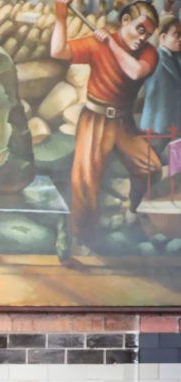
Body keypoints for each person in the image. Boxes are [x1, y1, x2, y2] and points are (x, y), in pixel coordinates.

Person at [51, 0, 161, 246]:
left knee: (151, 168)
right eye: (140, 29)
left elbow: (135, 72)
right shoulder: (95, 44)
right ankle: (82, 238)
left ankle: (135, 210)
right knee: (84, 181)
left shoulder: (148, 53)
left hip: (122, 122)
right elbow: (57, 51)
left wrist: (111, 42)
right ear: (125, 21)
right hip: (95, 120)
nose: (143, 37)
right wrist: (60, 15)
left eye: (148, 34)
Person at [138, 13, 181, 160]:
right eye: (177, 35)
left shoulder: (175, 58)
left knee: (173, 158)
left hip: (172, 118)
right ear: (162, 38)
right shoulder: (155, 59)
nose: (180, 39)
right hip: (159, 119)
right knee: (153, 156)